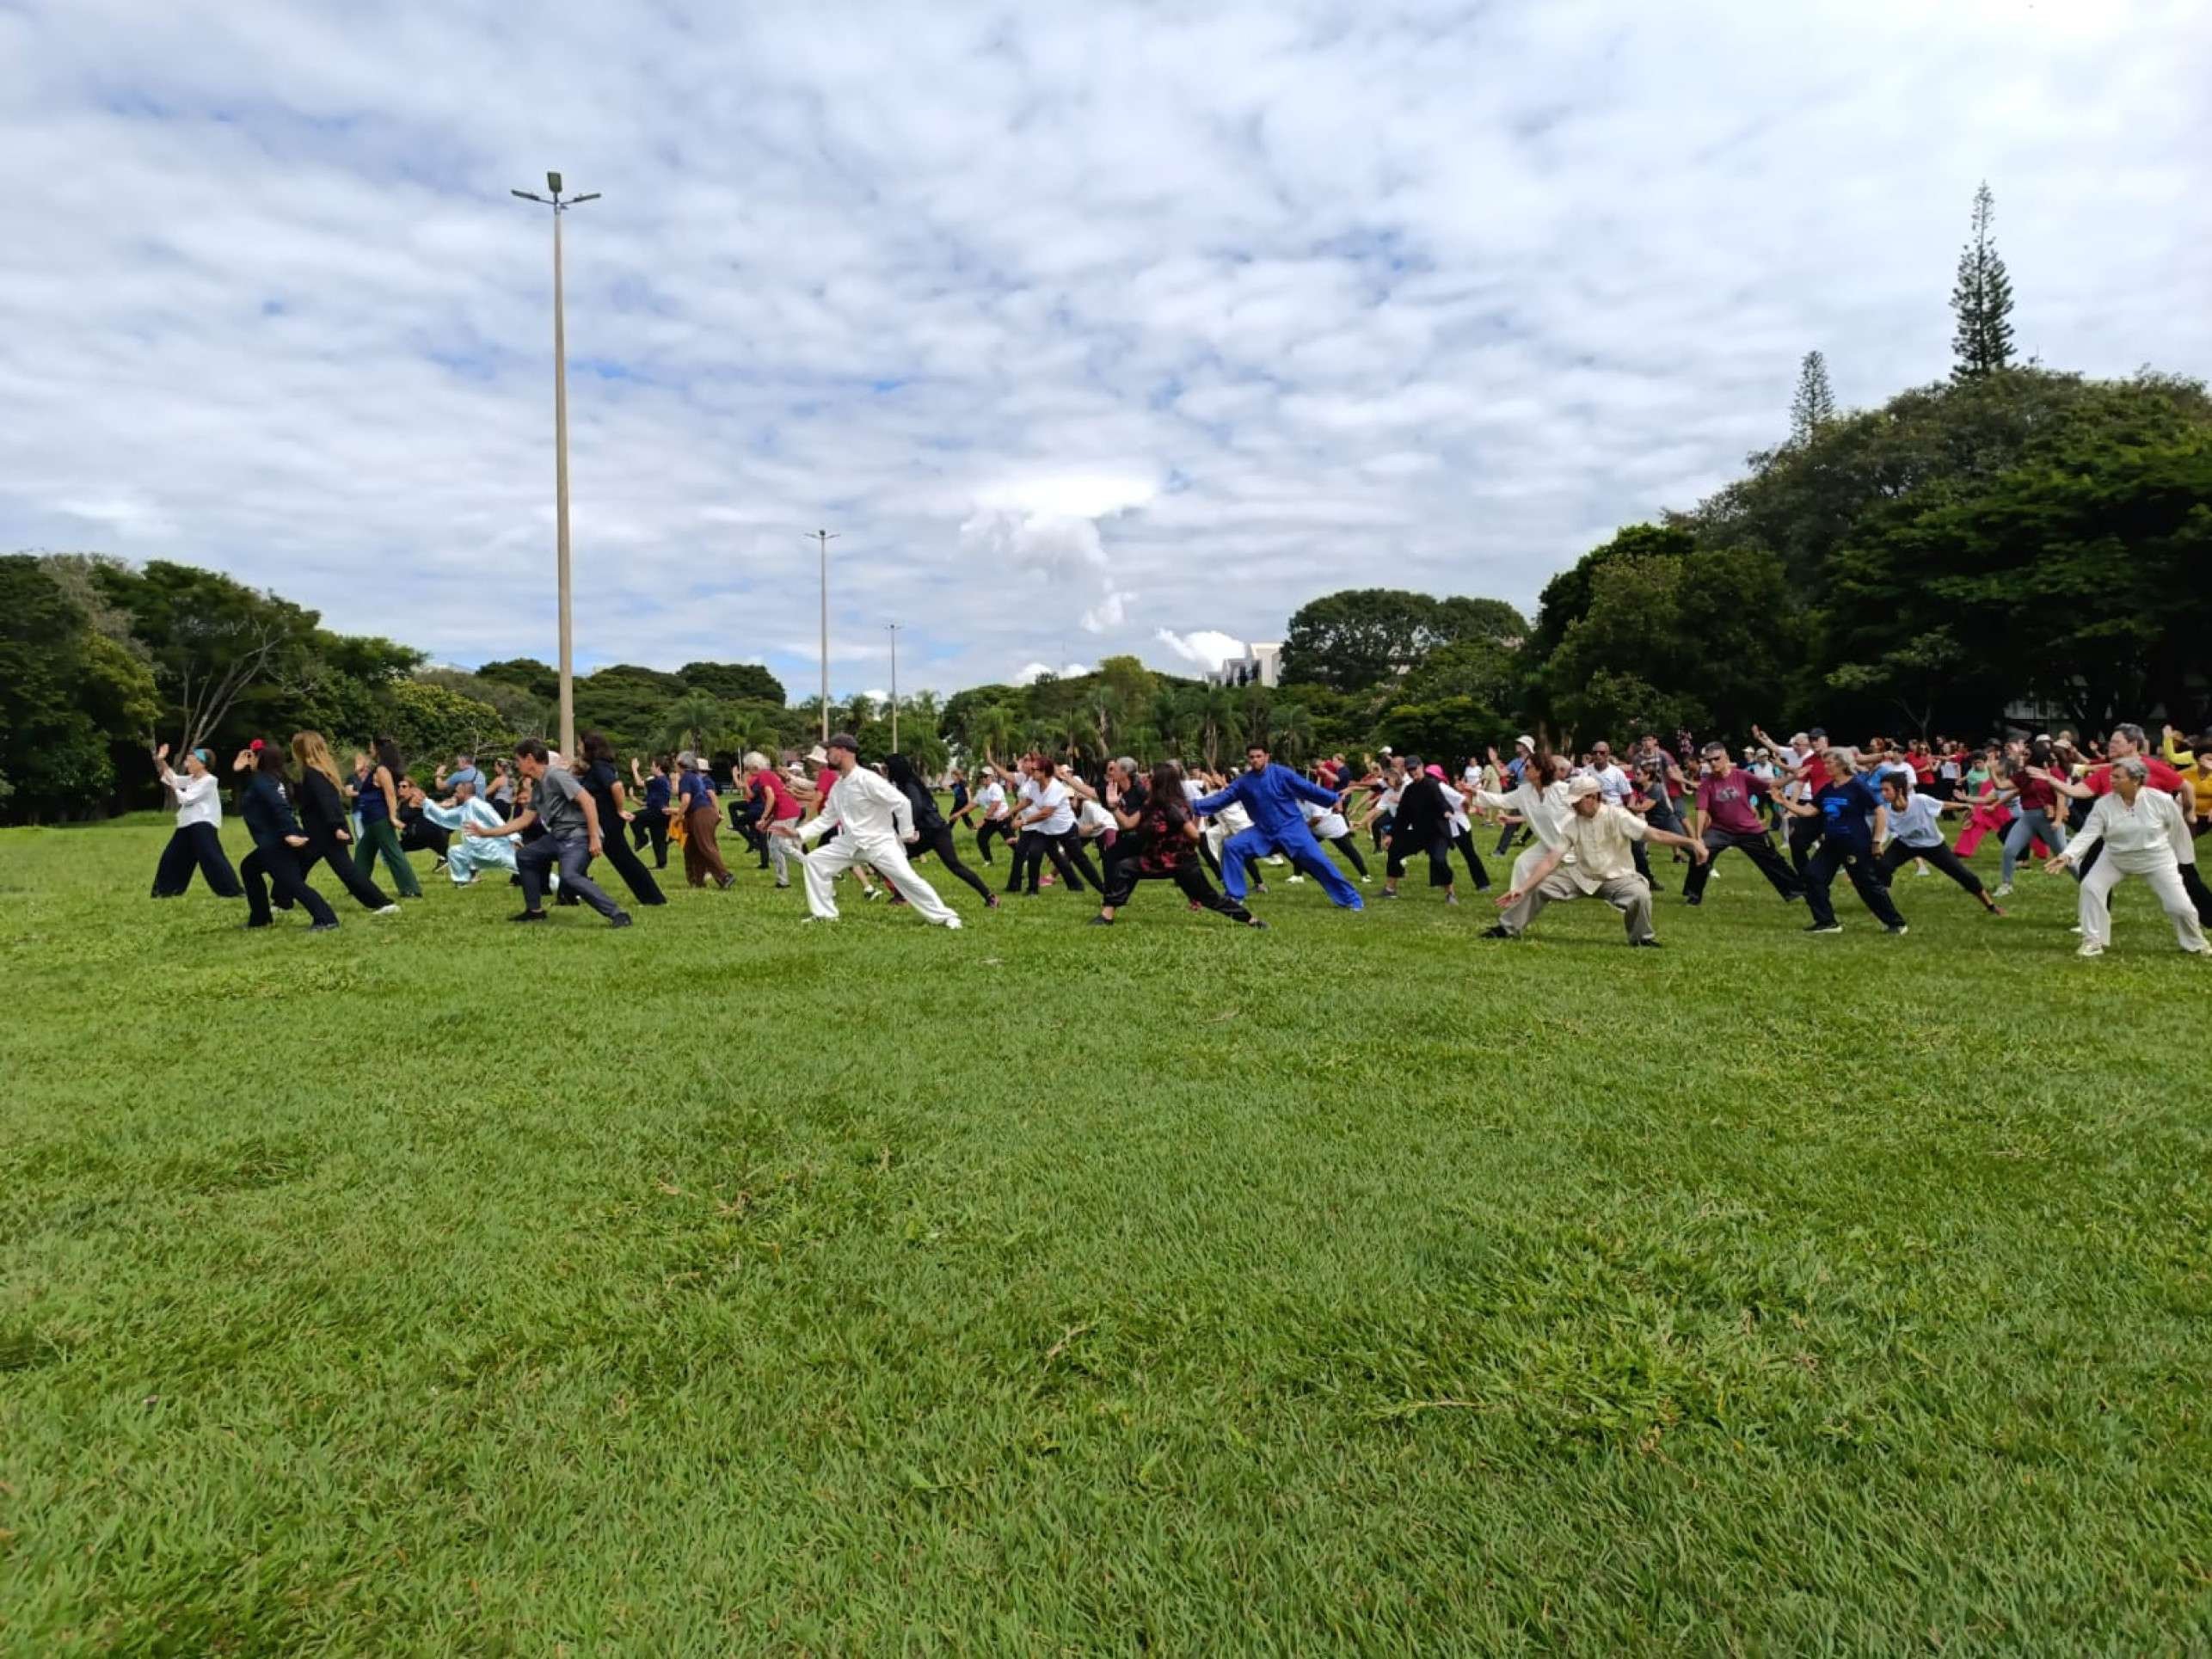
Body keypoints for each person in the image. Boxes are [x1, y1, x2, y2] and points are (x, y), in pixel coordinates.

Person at [1490, 775, 1706, 946]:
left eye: (1577, 801)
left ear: (1593, 797)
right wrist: (1522, 888)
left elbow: (1656, 835)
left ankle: (1642, 939)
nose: (1573, 807)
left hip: (1618, 877)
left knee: (1640, 895)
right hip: (1581, 876)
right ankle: (1506, 927)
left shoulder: (1618, 816)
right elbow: (1551, 859)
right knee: (1540, 887)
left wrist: (1691, 842)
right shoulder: (1573, 823)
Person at [773, 734, 962, 927]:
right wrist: (799, 833)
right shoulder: (839, 786)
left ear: (843, 751)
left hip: (880, 843)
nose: (827, 757)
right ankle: (824, 915)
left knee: (908, 879)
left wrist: (906, 833)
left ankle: (946, 916)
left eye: (829, 752)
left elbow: (902, 802)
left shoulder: (867, 779)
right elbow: (827, 818)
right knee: (815, 861)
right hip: (850, 842)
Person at [2045, 757, 2205, 959]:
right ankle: (2092, 942)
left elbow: (2178, 831)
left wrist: (2185, 860)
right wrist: (2067, 855)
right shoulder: (2103, 804)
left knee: (2179, 905)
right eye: (2111, 776)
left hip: (2156, 859)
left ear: (2136, 780)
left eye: (2117, 777)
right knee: (2091, 886)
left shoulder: (2161, 801)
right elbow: (2089, 832)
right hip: (2114, 857)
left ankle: (2196, 943)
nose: (2111, 780)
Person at [466, 739, 633, 927]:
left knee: (569, 876)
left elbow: (588, 801)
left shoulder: (556, 775)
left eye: (518, 760)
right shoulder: (538, 787)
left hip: (579, 836)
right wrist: (486, 833)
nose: (517, 764)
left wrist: (594, 837)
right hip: (558, 837)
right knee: (525, 856)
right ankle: (534, 911)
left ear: (530, 759)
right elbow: (524, 820)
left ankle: (618, 914)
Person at [1091, 761, 1264, 928]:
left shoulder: (1172, 807)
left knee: (1209, 898)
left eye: (1150, 777)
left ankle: (1251, 919)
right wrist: (1114, 807)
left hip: (1182, 862)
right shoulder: (1150, 804)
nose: (1145, 780)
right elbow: (1129, 823)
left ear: (1160, 782)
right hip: (1155, 860)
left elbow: (1195, 836)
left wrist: (1181, 848)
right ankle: (1106, 916)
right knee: (1125, 868)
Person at [1195, 743, 1365, 910]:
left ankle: (1351, 898)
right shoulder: (1243, 783)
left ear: (1267, 757)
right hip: (1263, 832)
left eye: (1259, 756)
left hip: (1292, 828)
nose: (1255, 760)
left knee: (1319, 862)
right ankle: (1234, 896)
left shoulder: (1282, 774)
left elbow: (1306, 787)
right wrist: (1191, 806)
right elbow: (1221, 799)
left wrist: (1332, 799)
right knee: (1232, 846)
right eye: (1252, 757)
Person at [1779, 749, 1908, 937]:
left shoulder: (1857, 786)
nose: (1826, 766)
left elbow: (1880, 811)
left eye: (1830, 763)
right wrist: (1784, 801)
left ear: (1842, 765)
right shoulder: (1828, 788)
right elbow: (1809, 811)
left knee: (1865, 884)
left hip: (1854, 843)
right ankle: (1826, 922)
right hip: (1831, 843)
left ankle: (1896, 923)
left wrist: (1877, 841)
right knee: (1813, 876)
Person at [289, 732, 400, 914]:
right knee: (299, 865)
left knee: (347, 871)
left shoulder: (313, 774)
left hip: (325, 833)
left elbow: (328, 803)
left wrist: (337, 827)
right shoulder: (323, 772)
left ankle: (382, 903)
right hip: (319, 832)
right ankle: (281, 900)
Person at [232, 743, 339, 931]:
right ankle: (260, 918)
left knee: (292, 882)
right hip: (275, 840)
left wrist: (289, 832)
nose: (251, 760)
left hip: (275, 841)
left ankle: (326, 918)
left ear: (260, 760)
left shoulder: (263, 781)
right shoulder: (276, 780)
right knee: (249, 868)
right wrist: (240, 771)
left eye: (254, 757)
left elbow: (278, 806)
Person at [1681, 742, 1803, 906]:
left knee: (1772, 859)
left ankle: (1796, 890)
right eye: (1709, 761)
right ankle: (1693, 895)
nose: (1713, 763)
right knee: (1701, 854)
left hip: (1749, 829)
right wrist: (1698, 839)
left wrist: (1795, 776)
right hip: (1720, 830)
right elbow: (1701, 811)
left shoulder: (1741, 776)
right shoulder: (1706, 784)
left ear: (1726, 758)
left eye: (1716, 759)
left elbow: (1771, 786)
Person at [1875, 772, 2001, 915]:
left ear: (1899, 791)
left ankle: (1991, 907)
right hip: (1906, 844)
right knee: (1882, 867)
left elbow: (1943, 805)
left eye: (1887, 790)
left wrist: (1966, 806)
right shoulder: (1886, 812)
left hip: (1933, 846)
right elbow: (1882, 831)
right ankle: (1883, 906)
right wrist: (1877, 844)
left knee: (1965, 876)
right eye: (1882, 790)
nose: (1883, 793)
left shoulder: (1920, 801)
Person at [886, 753, 997, 907]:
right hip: (938, 829)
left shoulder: (909, 785)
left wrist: (904, 825)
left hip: (929, 831)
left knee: (896, 859)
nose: (886, 772)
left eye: (888, 768)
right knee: (955, 866)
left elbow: (916, 808)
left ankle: (903, 897)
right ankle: (990, 897)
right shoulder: (912, 782)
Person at [578, 731, 667, 906]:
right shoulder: (597, 766)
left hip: (608, 821)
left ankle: (654, 898)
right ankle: (567, 895)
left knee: (625, 860)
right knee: (580, 858)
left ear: (590, 747)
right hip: (602, 820)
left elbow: (617, 786)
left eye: (580, 744)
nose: (578, 747)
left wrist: (619, 810)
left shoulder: (599, 765)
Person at [149, 743, 243, 900]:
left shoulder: (209, 781)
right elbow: (174, 778)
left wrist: (174, 786)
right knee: (171, 857)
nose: (187, 765)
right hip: (187, 824)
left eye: (191, 762)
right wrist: (161, 760)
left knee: (212, 858)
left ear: (202, 764)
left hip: (203, 824)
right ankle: (165, 891)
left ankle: (233, 891)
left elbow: (186, 798)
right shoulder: (192, 779)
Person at [402, 776, 518, 885]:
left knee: (520, 865)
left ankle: (529, 877)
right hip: (474, 851)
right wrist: (427, 801)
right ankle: (462, 882)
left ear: (464, 793)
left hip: (492, 850)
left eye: (457, 792)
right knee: (454, 852)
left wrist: (514, 838)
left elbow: (498, 821)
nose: (455, 794)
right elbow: (445, 816)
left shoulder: (480, 805)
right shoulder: (465, 807)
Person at [352, 734, 425, 900]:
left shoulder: (382, 770)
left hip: (380, 817)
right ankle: (357, 885)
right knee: (364, 851)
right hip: (371, 818)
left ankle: (411, 889)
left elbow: (390, 794)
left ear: (378, 749)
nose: (369, 749)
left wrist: (392, 817)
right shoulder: (379, 768)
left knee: (392, 851)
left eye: (371, 746)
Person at [1379, 759, 1458, 903]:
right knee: (1395, 849)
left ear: (1422, 767)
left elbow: (1442, 802)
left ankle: (1450, 894)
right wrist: (1391, 834)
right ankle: (1390, 889)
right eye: (1410, 770)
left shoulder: (1432, 784)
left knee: (1439, 860)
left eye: (1415, 768)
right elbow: (1402, 816)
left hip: (1437, 833)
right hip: (1419, 833)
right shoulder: (1409, 790)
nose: (1413, 772)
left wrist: (1446, 811)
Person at [742, 751, 804, 888]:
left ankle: (813, 866)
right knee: (775, 846)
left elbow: (771, 797)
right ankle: (782, 880)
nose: (747, 771)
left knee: (782, 846)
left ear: (754, 767)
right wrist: (767, 822)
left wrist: (763, 818)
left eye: (747, 767)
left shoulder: (764, 776)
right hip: (787, 811)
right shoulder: (767, 775)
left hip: (786, 812)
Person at [674, 751, 734, 889]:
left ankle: (725, 876)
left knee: (706, 846)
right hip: (702, 813)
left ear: (681, 764)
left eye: (676, 762)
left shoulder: (686, 778)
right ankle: (697, 880)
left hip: (701, 813)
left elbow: (686, 801)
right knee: (692, 848)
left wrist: (678, 818)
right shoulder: (694, 777)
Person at [630, 756, 673, 868]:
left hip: (657, 812)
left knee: (634, 817)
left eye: (653, 766)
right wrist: (634, 798)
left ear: (658, 767)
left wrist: (634, 768)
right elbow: (649, 801)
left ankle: (643, 840)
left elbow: (639, 783)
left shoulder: (658, 780)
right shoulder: (664, 781)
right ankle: (661, 863)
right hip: (662, 814)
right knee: (658, 838)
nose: (651, 768)